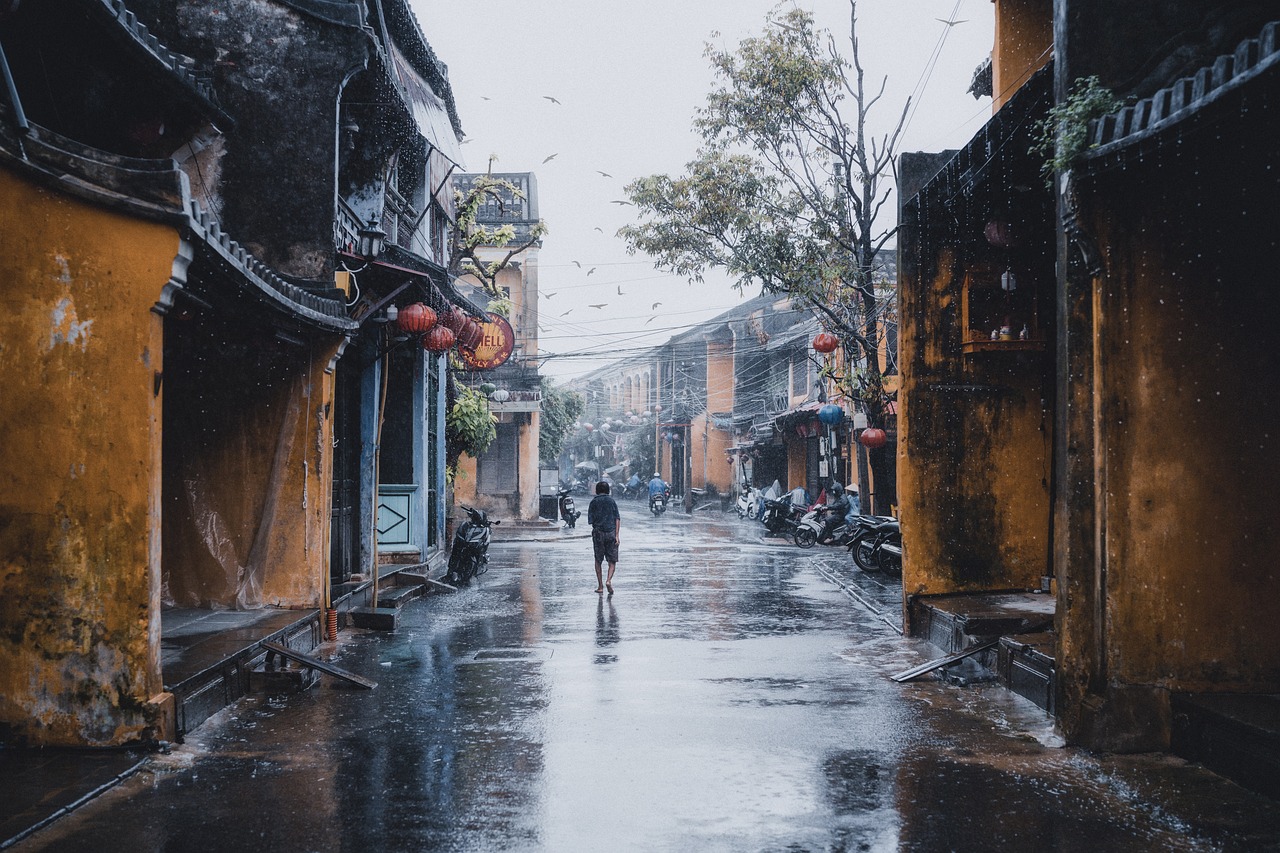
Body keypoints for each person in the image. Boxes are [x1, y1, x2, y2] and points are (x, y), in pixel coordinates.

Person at [587, 480, 621, 594]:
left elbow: (591, 521)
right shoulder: (612, 501)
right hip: (611, 532)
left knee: (598, 560)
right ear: (608, 490)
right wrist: (617, 535)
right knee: (612, 560)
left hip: (598, 533)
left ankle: (600, 586)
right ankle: (608, 580)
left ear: (597, 490)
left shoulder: (593, 502)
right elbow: (617, 518)